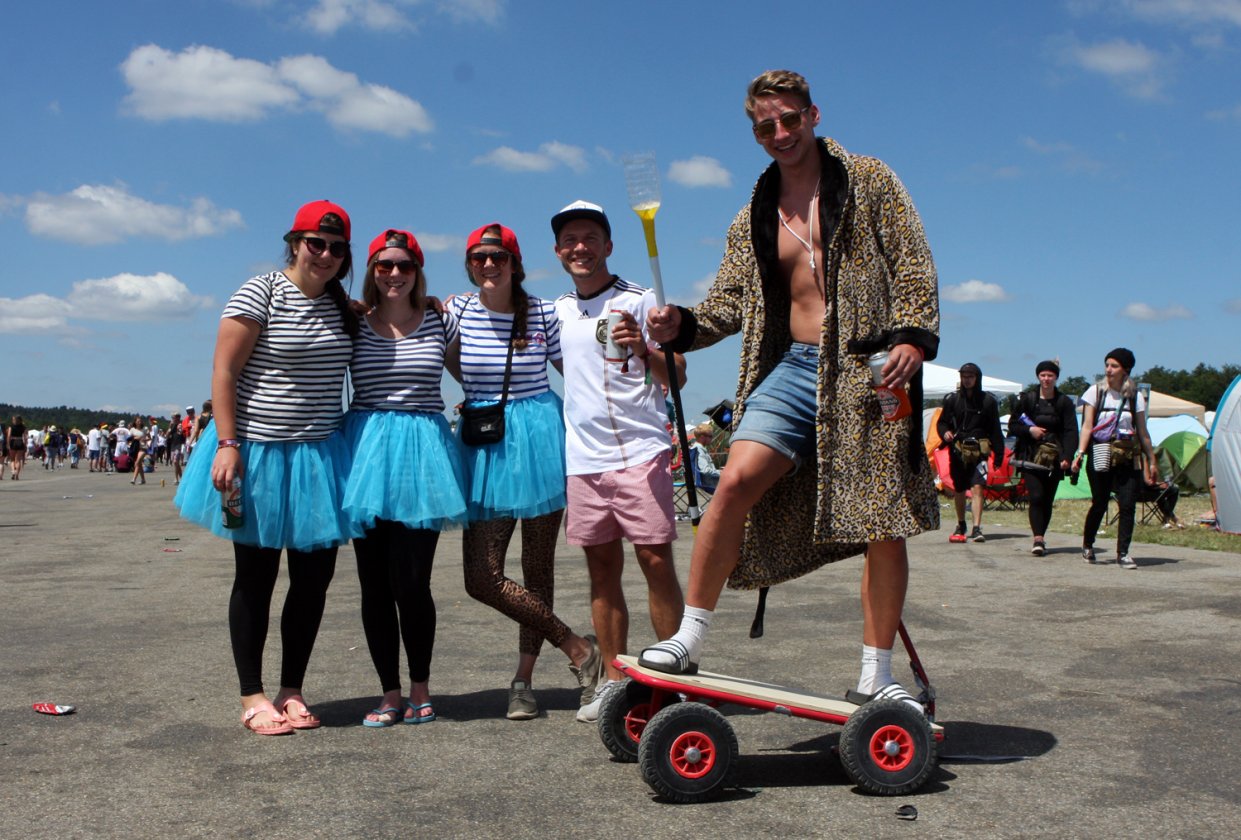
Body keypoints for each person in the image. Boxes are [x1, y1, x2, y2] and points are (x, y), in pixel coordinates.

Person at [639, 70, 939, 713]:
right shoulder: (753, 211)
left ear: (813, 115)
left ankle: (875, 672)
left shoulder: (870, 181)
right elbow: (726, 302)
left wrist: (913, 337)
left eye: (790, 120)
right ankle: (688, 637)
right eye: (765, 126)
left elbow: (913, 262)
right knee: (735, 481)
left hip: (867, 369)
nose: (779, 133)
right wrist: (682, 325)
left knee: (882, 519)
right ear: (754, 131)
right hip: (795, 367)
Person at [174, 200, 358, 735]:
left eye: (336, 247)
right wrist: (227, 443)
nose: (324, 254)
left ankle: (291, 689)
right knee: (255, 577)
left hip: (319, 457)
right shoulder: (260, 291)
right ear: (295, 242)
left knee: (313, 580)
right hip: (253, 453)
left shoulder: (341, 305)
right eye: (315, 243)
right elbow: (224, 371)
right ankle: (252, 695)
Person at [449, 222, 602, 721]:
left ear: (515, 263)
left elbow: (574, 371)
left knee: (539, 569)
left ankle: (523, 680)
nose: (487, 264)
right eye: (478, 257)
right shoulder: (455, 311)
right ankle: (579, 648)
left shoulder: (542, 312)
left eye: (497, 256)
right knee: (482, 576)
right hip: (487, 445)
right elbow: (442, 352)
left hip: (539, 439)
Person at [550, 200, 687, 722]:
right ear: (558, 252)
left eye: (589, 238)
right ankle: (612, 679)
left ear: (608, 246)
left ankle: (675, 680)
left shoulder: (642, 298)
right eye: (569, 241)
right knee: (601, 571)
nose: (579, 247)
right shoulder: (557, 310)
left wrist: (645, 349)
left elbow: (678, 372)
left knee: (655, 563)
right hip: (584, 460)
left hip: (640, 451)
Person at [342, 229, 469, 728]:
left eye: (404, 265)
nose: (394, 274)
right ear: (372, 271)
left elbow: (473, 372)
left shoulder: (442, 320)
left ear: (418, 272)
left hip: (423, 458)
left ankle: (420, 686)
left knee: (412, 582)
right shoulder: (353, 322)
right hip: (366, 453)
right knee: (373, 585)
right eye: (384, 265)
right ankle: (389, 693)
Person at [1072, 347, 1158, 569]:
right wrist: (1080, 453)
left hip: (1127, 456)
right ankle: (1088, 544)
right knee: (1100, 502)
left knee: (1127, 504)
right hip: (1100, 453)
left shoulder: (1135, 397)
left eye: (1114, 366)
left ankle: (1123, 552)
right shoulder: (1095, 392)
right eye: (1107, 365)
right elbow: (1087, 427)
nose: (1108, 370)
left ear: (1126, 369)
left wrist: (1152, 459)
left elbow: (1142, 431)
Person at [1009, 361, 1079, 555]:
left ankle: (1042, 535)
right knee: (1036, 496)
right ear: (1038, 377)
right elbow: (1013, 426)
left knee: (1047, 499)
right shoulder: (1028, 400)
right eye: (1043, 375)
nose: (1046, 379)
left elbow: (1071, 431)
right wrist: (1030, 430)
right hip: (1031, 456)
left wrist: (1068, 456)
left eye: (1050, 376)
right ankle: (1037, 538)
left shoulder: (1064, 402)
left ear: (1056, 378)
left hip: (1054, 457)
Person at [937, 363, 1004, 543]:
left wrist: (998, 454)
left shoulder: (988, 401)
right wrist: (945, 433)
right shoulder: (952, 400)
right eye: (964, 376)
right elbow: (942, 423)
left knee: (977, 487)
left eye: (970, 377)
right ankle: (961, 523)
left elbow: (996, 429)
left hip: (979, 452)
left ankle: (976, 527)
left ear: (977, 378)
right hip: (958, 450)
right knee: (959, 489)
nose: (967, 380)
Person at [689, 422, 721, 493]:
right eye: (710, 436)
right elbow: (705, 470)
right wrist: (722, 472)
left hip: (709, 482)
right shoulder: (699, 450)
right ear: (702, 437)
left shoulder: (697, 448)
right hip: (710, 483)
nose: (712, 438)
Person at [7, 415, 27, 480]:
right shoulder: (23, 427)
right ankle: (17, 475)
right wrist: (25, 444)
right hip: (20, 441)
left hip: (13, 441)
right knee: (18, 460)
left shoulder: (11, 427)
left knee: (12, 459)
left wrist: (8, 443)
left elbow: (9, 435)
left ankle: (13, 471)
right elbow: (25, 437)